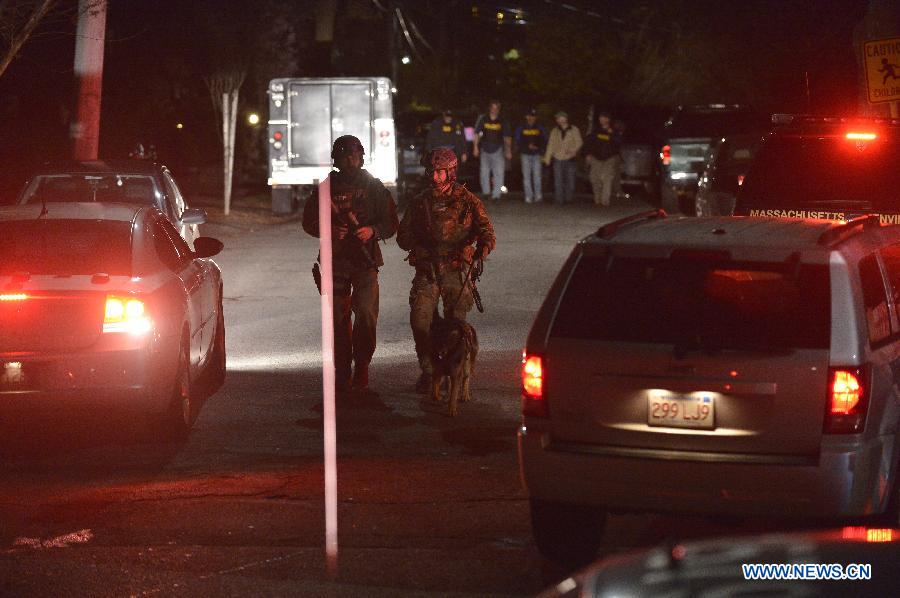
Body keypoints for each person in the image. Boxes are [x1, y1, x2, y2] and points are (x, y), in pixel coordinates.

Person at [302, 135, 399, 393]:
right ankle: (342, 369)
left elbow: (391, 222)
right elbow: (308, 222)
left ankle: (362, 365)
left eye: (353, 154)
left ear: (361, 156)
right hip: (336, 263)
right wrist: (329, 230)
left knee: (366, 313)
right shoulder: (326, 188)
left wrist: (372, 231)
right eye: (344, 155)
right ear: (336, 159)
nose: (349, 159)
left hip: (365, 262)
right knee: (337, 319)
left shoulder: (373, 187)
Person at [397, 147, 496, 393]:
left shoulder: (468, 201)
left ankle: (454, 372)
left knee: (455, 328)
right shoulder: (420, 202)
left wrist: (481, 248)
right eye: (431, 171)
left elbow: (487, 231)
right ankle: (430, 372)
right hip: (428, 270)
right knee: (421, 322)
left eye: (440, 172)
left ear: (451, 172)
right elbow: (403, 237)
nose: (434, 177)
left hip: (456, 271)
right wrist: (418, 247)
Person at [472, 100, 512, 202]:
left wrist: (508, 151)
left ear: (499, 110)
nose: (494, 110)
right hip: (485, 150)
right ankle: (486, 192)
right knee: (484, 172)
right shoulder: (483, 119)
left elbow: (507, 137)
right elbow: (476, 133)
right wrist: (475, 147)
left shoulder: (502, 121)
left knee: (498, 173)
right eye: (493, 108)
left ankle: (496, 195)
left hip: (498, 150)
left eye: (496, 108)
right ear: (490, 108)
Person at [582, 110, 622, 207]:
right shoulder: (595, 130)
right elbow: (587, 143)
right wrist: (587, 154)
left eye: (605, 117)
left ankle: (605, 202)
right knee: (594, 179)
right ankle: (597, 200)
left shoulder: (614, 131)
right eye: (601, 117)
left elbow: (618, 144)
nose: (602, 119)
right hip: (596, 158)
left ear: (608, 119)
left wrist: (611, 134)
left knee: (607, 179)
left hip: (609, 159)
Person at [542, 111, 582, 204]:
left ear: (566, 118)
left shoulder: (574, 129)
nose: (559, 120)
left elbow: (579, 142)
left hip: (570, 158)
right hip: (557, 158)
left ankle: (569, 199)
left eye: (561, 118)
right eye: (557, 118)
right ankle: (559, 200)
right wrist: (547, 158)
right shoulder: (554, 131)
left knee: (570, 180)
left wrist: (573, 150)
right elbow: (550, 145)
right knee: (558, 180)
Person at [514, 109, 548, 203]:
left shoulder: (540, 128)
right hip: (525, 154)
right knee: (526, 176)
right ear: (526, 117)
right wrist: (526, 146)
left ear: (535, 117)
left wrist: (539, 148)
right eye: (529, 116)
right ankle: (528, 196)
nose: (530, 118)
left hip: (537, 155)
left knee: (537, 176)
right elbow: (517, 140)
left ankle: (538, 195)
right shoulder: (521, 127)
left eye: (532, 116)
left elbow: (545, 140)